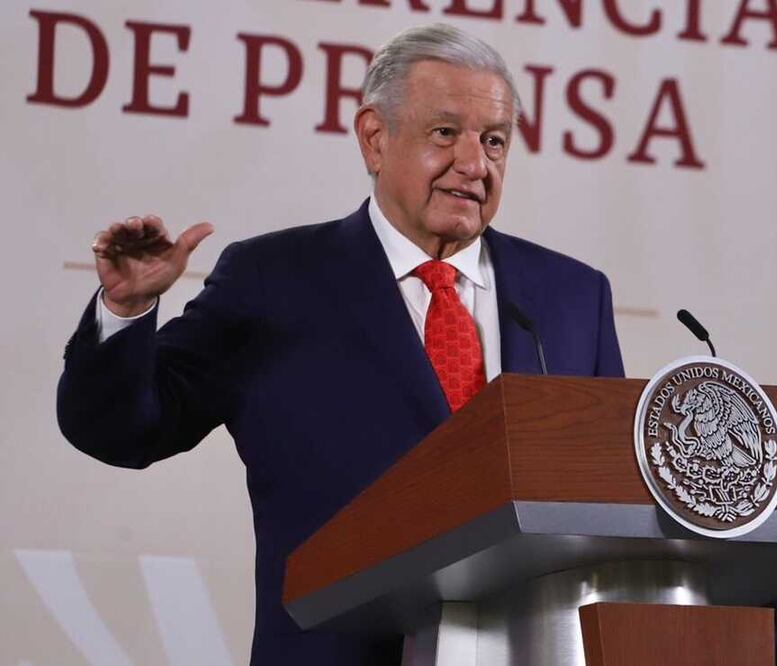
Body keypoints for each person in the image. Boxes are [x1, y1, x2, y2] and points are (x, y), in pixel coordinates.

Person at [57, 23, 623, 666]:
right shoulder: (273, 281)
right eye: (445, 133)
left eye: (494, 141)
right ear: (375, 138)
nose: (475, 164)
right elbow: (125, 430)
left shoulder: (572, 297)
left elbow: (610, 507)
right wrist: (127, 311)